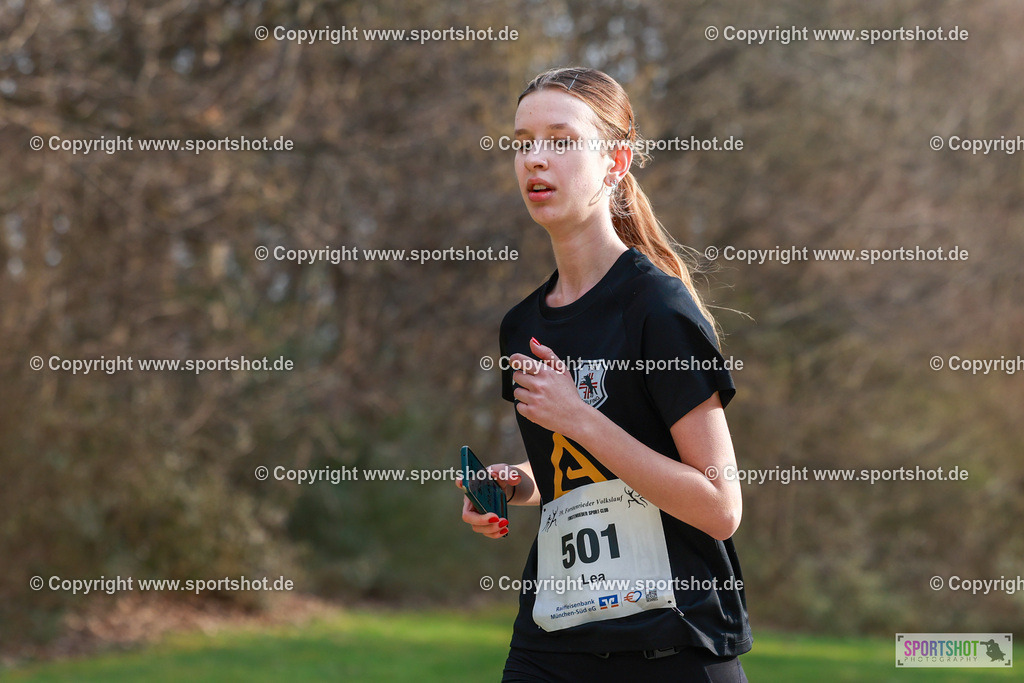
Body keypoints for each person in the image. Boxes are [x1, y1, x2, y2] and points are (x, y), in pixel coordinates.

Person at [459, 67, 751, 682]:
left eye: (560, 141)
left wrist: (579, 419)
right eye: (523, 142)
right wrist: (514, 482)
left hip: (669, 648)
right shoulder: (522, 326)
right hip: (553, 643)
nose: (536, 160)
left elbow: (720, 506)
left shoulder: (657, 309)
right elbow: (575, 475)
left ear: (616, 161)